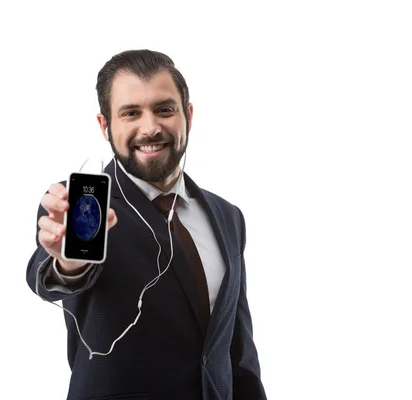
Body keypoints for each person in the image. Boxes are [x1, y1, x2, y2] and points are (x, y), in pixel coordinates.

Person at [26, 49, 266, 400]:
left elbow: (237, 351)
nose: (150, 127)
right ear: (105, 125)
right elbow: (54, 277)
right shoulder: (79, 208)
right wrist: (69, 264)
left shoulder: (227, 216)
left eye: (164, 109)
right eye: (131, 114)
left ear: (188, 115)